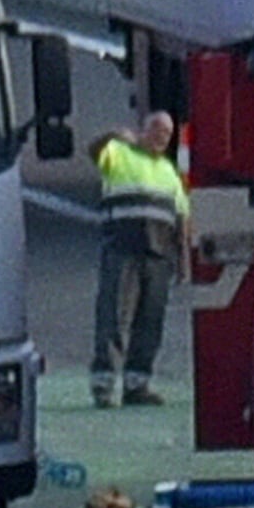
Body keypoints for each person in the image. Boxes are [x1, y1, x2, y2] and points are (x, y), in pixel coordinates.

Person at [87, 110, 189, 408]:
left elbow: (181, 216)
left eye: (166, 134)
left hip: (159, 254)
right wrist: (113, 134)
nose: (161, 137)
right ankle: (104, 385)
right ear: (143, 129)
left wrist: (183, 259)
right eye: (156, 129)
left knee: (150, 321)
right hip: (122, 248)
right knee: (114, 317)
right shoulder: (119, 154)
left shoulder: (169, 172)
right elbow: (93, 150)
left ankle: (137, 384)